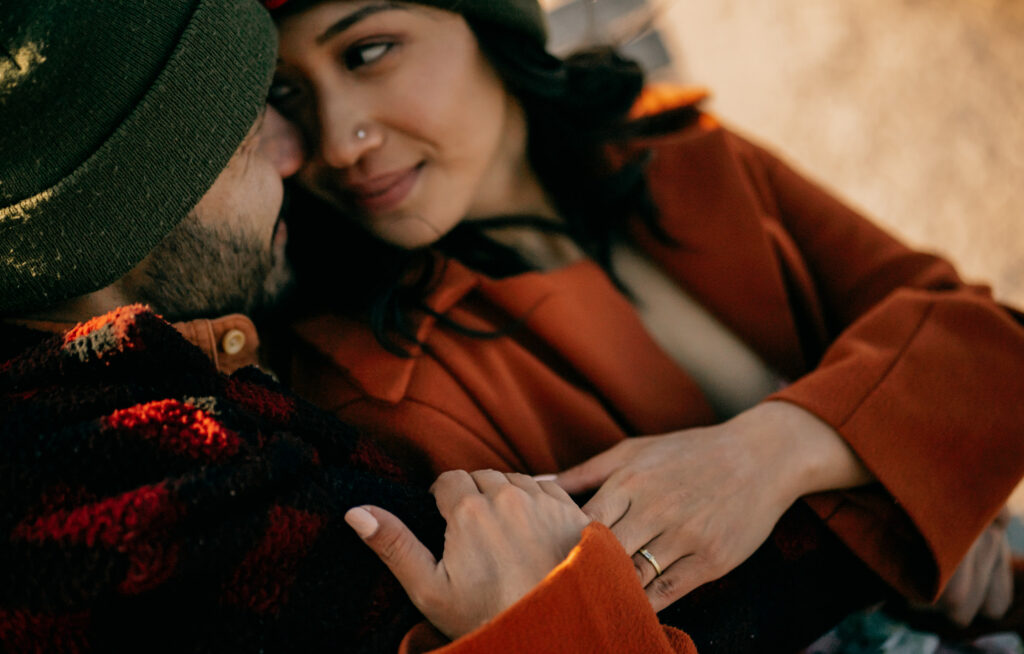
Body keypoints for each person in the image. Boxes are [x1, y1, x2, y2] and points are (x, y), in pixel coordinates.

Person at [267, 0, 1024, 639]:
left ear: (487, 21)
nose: (339, 141)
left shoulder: (678, 144)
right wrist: (917, 482)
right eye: (288, 96)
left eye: (369, 52)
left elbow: (989, 343)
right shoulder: (377, 378)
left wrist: (771, 452)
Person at [0, 1, 712, 651]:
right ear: (134, 211)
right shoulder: (223, 508)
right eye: (251, 132)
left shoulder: (681, 153)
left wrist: (786, 442)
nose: (304, 151)